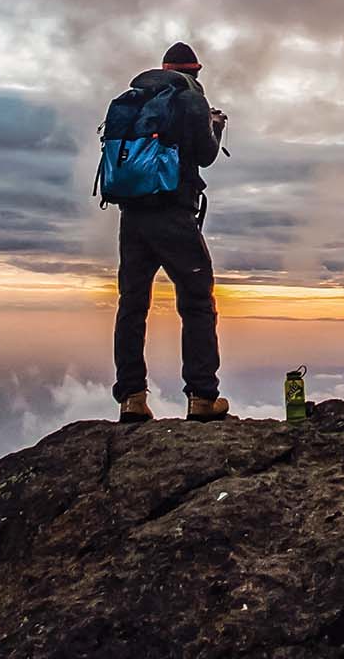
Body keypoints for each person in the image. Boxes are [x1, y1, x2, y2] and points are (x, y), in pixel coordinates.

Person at [110, 40, 229, 424]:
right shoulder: (190, 97)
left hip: (133, 214)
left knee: (132, 303)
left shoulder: (138, 96)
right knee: (196, 301)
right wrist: (216, 126)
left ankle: (131, 397)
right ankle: (202, 397)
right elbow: (206, 155)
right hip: (172, 213)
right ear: (194, 71)